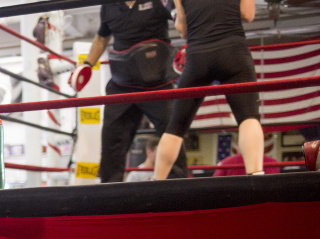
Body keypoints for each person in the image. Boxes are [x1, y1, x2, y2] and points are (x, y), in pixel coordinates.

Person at [77, 0, 187, 182]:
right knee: (111, 145)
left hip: (157, 85)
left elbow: (183, 21)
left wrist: (190, 42)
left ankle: (179, 190)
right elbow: (101, 38)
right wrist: (87, 65)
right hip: (122, 87)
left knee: (172, 135)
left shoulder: (159, 1)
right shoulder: (109, 5)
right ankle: (111, 197)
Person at [155, 0, 263, 178]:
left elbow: (183, 30)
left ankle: (155, 183)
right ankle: (256, 175)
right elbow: (248, 15)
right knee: (248, 117)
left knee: (176, 127)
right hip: (233, 50)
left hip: (198, 55)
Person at [213, 136, 280, 176]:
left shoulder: (225, 163)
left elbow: (215, 184)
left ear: (238, 145)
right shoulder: (273, 162)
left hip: (234, 197)